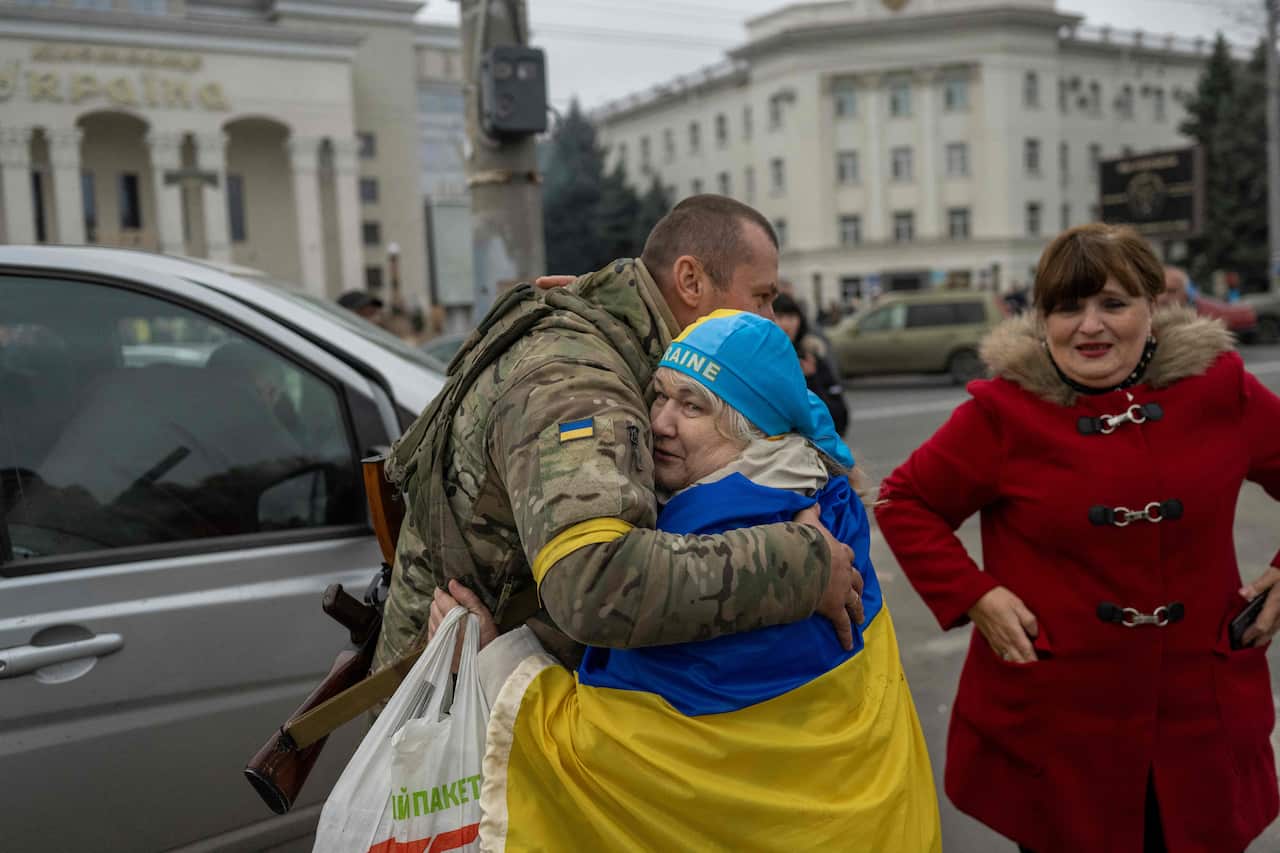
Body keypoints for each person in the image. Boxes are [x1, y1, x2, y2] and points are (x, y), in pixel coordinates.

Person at [433, 311, 939, 851]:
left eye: (693, 406)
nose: (659, 422)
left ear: (755, 429)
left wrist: (495, 661)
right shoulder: (831, 506)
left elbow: (607, 757)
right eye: (660, 396)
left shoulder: (706, 538)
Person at [875, 223, 1280, 853]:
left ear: (1154, 306)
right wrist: (976, 595)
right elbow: (905, 500)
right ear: (1042, 320)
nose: (1089, 326)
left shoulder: (1220, 389)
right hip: (1059, 731)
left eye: (1113, 304)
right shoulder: (1002, 413)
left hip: (1202, 720)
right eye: (1068, 307)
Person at [373, 195, 863, 684]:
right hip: (460, 717)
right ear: (690, 281)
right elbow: (598, 585)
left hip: (492, 694)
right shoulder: (577, 378)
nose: (771, 320)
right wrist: (802, 566)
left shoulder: (611, 332)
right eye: (761, 297)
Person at [772, 292, 849, 435]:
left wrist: (811, 379)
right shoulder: (763, 359)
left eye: (791, 317)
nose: (786, 324)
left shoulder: (811, 355)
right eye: (779, 317)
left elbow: (839, 416)